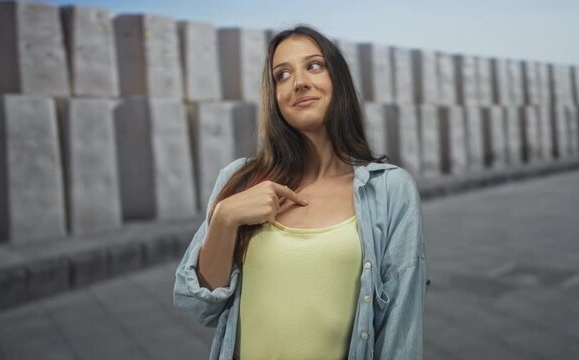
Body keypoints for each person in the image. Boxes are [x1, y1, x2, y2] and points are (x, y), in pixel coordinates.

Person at [174, 25, 427, 360]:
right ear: (275, 98)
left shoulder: (391, 190)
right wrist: (224, 218)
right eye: (282, 74)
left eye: (314, 66)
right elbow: (198, 306)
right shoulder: (238, 179)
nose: (299, 82)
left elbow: (400, 327)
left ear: (338, 80)